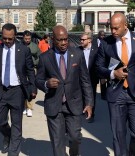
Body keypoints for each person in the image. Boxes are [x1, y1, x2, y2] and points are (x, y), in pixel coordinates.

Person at [96, 13, 135, 156]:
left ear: (125, 26)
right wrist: (113, 74)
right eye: (111, 28)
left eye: (116, 28)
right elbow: (98, 67)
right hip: (116, 94)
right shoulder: (105, 43)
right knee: (118, 136)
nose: (113, 32)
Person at [35, 25, 94, 156]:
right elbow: (38, 80)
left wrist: (89, 103)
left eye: (66, 39)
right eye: (60, 40)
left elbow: (85, 80)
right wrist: (46, 83)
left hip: (74, 103)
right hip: (54, 104)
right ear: (52, 39)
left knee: (75, 138)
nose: (63, 43)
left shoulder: (77, 54)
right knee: (57, 142)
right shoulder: (45, 58)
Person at [0, 23, 37, 156]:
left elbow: (30, 70)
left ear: (15, 36)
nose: (7, 41)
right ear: (2, 36)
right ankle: (7, 135)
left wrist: (33, 87)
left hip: (17, 91)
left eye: (10, 38)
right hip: (0, 91)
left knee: (17, 124)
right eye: (5, 38)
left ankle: (13, 152)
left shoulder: (23, 50)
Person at [78, 32, 99, 123]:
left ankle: (91, 114)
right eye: (80, 39)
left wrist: (102, 77)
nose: (81, 41)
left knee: (91, 95)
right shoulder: (77, 50)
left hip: (92, 77)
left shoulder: (96, 50)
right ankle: (82, 111)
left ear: (90, 40)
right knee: (80, 95)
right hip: (80, 77)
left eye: (83, 39)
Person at [22, 30, 41, 117]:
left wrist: (35, 63)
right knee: (22, 86)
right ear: (23, 38)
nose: (27, 40)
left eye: (29, 38)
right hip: (21, 68)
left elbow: (39, 56)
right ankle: (23, 106)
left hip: (32, 68)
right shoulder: (19, 46)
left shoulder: (34, 46)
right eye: (26, 38)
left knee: (31, 87)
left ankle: (29, 107)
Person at [93, 30, 107, 100]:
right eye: (101, 35)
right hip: (95, 63)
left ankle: (104, 95)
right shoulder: (94, 42)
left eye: (104, 35)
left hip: (103, 65)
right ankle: (93, 95)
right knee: (94, 81)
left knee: (103, 81)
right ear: (98, 35)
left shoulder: (106, 42)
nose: (103, 36)